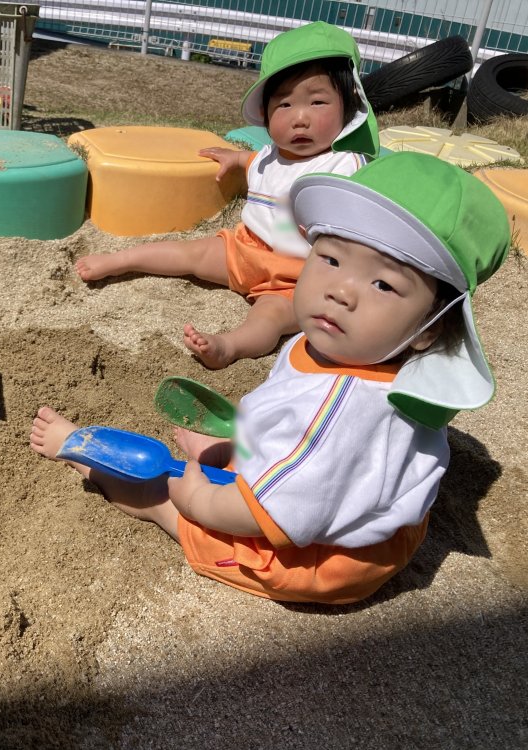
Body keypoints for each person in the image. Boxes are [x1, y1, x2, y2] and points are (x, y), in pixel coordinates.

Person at [34, 152, 510, 604]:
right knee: (261, 460)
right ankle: (242, 456)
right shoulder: (351, 347)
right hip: (339, 494)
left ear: (431, 329)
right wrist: (244, 438)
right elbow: (298, 419)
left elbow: (276, 511)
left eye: (383, 284)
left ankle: (80, 453)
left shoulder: (345, 407)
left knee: (161, 493)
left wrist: (200, 501)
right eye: (331, 259)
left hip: (325, 559)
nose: (341, 292)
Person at [75, 22, 380, 370]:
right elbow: (260, 165)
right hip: (244, 249)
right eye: (284, 104)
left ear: (349, 105)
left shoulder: (346, 164)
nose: (299, 118)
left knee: (270, 318)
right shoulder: (270, 154)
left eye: (317, 102)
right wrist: (236, 159)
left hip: (298, 276)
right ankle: (123, 260)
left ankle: (228, 346)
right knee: (190, 253)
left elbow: (369, 215)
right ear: (265, 113)